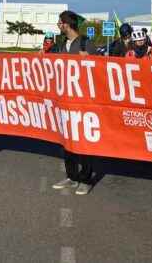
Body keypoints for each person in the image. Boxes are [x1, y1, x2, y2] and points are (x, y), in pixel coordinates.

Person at [51, 10, 97, 196]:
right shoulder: (62, 44)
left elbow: (98, 71)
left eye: (59, 23)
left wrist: (89, 60)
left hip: (83, 101)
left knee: (84, 142)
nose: (58, 26)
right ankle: (72, 177)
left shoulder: (86, 43)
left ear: (66, 24)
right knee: (67, 141)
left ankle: (86, 179)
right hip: (65, 100)